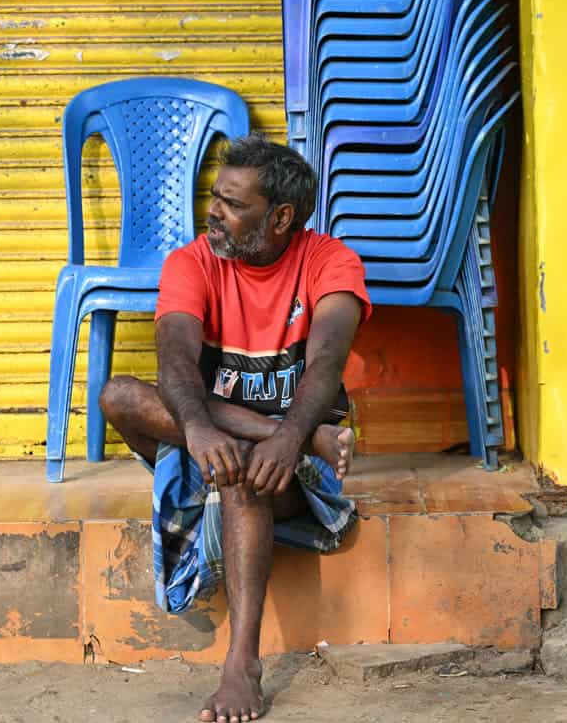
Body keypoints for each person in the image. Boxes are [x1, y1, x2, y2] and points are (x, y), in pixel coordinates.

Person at [99, 133, 370, 723]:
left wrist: (292, 436)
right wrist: (196, 427)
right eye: (215, 198)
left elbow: (325, 366)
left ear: (280, 217)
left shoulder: (331, 263)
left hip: (293, 464)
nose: (213, 212)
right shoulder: (191, 261)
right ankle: (264, 437)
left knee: (240, 476)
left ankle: (242, 663)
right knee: (120, 394)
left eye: (232, 204)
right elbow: (173, 362)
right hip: (210, 443)